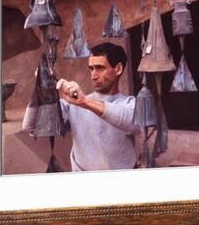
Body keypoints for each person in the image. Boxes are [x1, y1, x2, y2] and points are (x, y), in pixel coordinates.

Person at [22, 42, 141, 172]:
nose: (94, 75)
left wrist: (85, 102)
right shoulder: (73, 104)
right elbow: (30, 126)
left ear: (118, 69)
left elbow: (131, 121)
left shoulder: (129, 104)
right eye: (91, 68)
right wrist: (41, 86)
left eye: (100, 68)